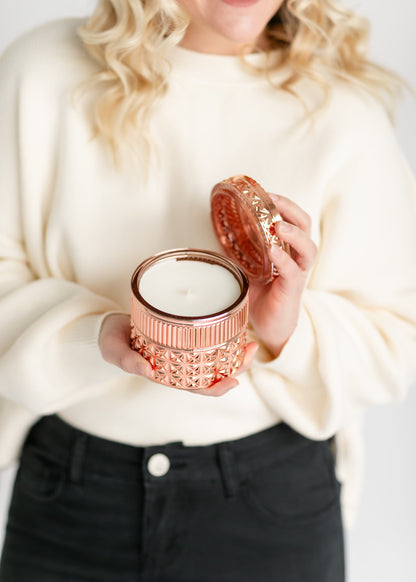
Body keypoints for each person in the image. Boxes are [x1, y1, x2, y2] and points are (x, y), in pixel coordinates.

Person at [0, 0, 415, 580]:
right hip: (71, 496)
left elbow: (396, 344)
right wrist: (92, 337)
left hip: (269, 505)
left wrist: (288, 328)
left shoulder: (344, 115)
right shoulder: (40, 74)